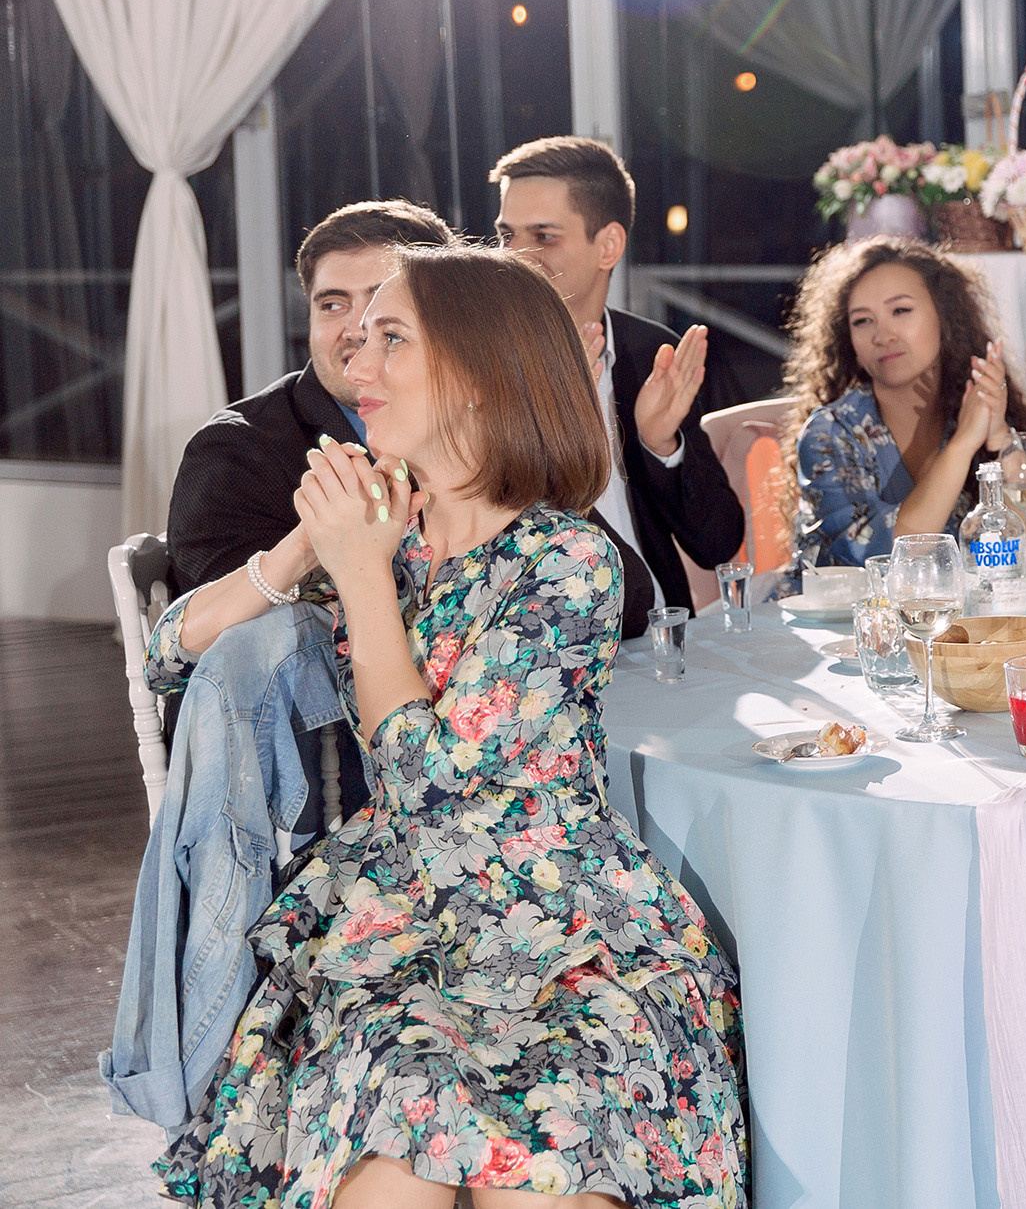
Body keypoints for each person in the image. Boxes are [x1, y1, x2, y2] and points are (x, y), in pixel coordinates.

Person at [149, 244, 745, 1208]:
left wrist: (359, 575)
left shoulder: (565, 558)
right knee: (391, 1169)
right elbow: (168, 651)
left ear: (476, 374)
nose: (356, 360)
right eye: (357, 335)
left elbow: (431, 780)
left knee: (542, 1179)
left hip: (573, 939)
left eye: (391, 338)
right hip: (403, 933)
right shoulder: (381, 531)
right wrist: (303, 549)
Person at [491, 136, 744, 611]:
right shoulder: (475, 368)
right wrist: (557, 420)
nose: (515, 257)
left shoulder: (650, 352)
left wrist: (660, 446)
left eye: (543, 237)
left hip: (660, 636)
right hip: (541, 648)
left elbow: (718, 545)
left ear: (608, 246)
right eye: (507, 235)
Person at [165, 200, 453, 598]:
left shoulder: (483, 429)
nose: (357, 328)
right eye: (333, 305)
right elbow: (233, 634)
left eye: (379, 300)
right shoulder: (235, 451)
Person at [780, 238, 1026, 573]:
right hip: (842, 622)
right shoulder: (830, 432)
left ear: (944, 317)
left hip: (960, 619)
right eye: (862, 321)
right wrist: (963, 444)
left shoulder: (969, 407)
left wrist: (1000, 435)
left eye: (900, 311)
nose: (882, 335)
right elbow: (882, 557)